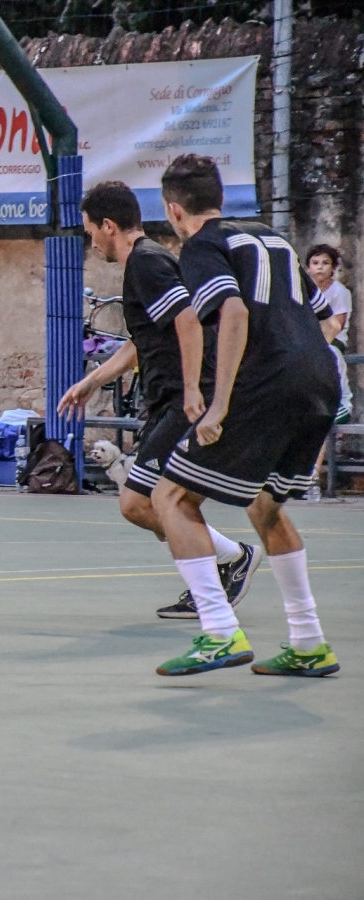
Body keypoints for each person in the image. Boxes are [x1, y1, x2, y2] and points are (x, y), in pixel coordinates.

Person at [151, 154, 340, 677]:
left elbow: (232, 312)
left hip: (266, 381)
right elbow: (326, 320)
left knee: (171, 498)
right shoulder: (272, 239)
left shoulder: (201, 245)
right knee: (266, 506)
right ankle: (309, 642)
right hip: (320, 378)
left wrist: (220, 404)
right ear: (220, 197)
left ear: (174, 210)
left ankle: (218, 632)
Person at [58, 182, 259, 619]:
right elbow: (143, 339)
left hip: (185, 402)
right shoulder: (145, 263)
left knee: (140, 503)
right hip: (171, 401)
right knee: (161, 505)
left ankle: (230, 562)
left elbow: (187, 320)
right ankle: (216, 577)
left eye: (90, 231)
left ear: (108, 226)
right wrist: (93, 380)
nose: (92, 243)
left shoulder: (146, 261)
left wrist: (191, 390)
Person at [304, 243, 353, 499]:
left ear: (333, 268)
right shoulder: (304, 291)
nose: (319, 268)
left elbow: (337, 325)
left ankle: (311, 478)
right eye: (315, 263)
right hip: (309, 346)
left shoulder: (339, 293)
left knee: (320, 421)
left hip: (336, 402)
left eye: (325, 263)